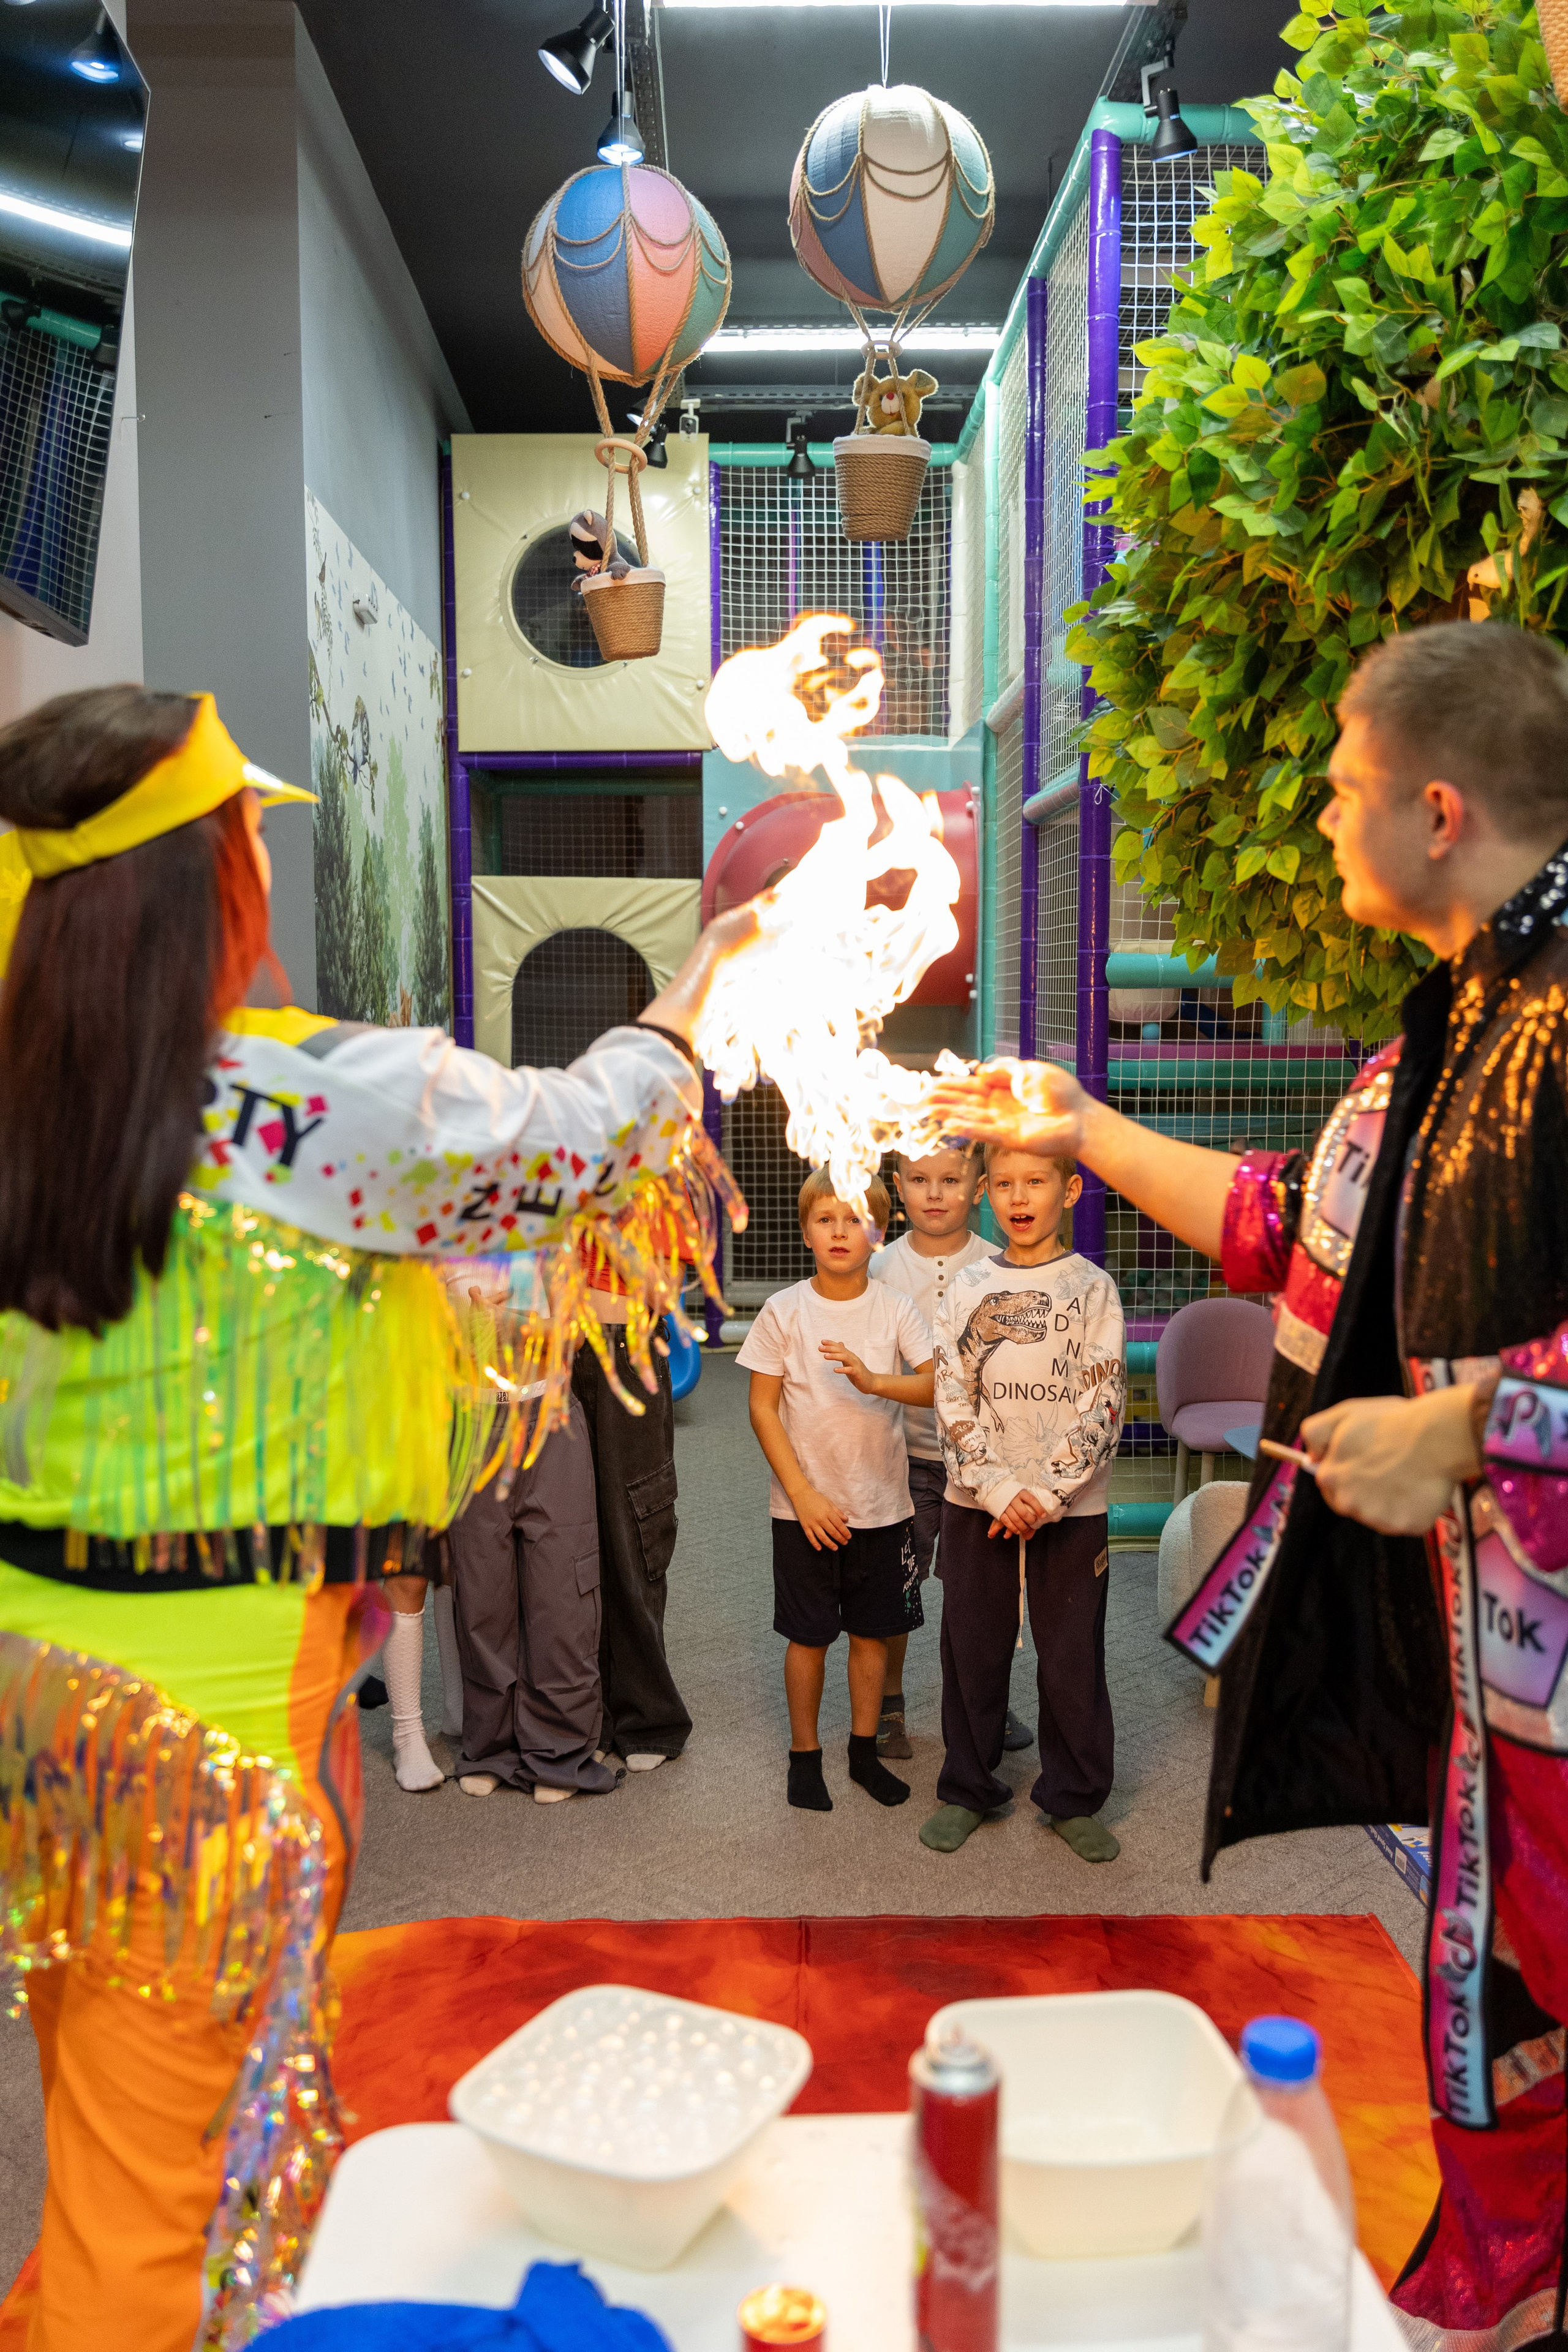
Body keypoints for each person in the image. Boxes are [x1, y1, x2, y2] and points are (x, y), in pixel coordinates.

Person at [0, 684, 749, 2352]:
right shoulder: (305, 1108)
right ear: (218, 889)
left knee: (110, 2080)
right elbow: (580, 1142)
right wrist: (702, 987)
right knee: (167, 2181)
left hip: (34, 1695)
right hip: (202, 1729)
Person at [928, 621, 1568, 2351]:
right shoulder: (1441, 1039)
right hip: (1498, 1671)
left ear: (1438, 811)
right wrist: (1082, 1123)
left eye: (1346, 786)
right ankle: (1501, 2268)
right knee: (1507, 1969)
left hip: (1548, 1647)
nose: (1318, 819)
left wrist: (1476, 1431)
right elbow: (1297, 1226)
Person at [919, 1146, 1125, 1859]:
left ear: (1067, 1190)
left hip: (1071, 1505)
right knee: (971, 1650)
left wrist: (1045, 1491)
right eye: (1003, 1183)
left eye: (1033, 1181)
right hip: (977, 1501)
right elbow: (950, 1395)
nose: (1017, 1195)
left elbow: (1102, 1401)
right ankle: (967, 1786)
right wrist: (999, 1488)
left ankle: (1072, 1796)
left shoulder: (1093, 1288)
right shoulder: (965, 1286)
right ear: (985, 1193)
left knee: (1071, 1653)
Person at [737, 1169, 933, 1814]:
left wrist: (876, 1381)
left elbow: (936, 1384)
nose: (840, 1231)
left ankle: (861, 1752)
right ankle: (804, 1758)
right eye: (826, 1219)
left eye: (854, 1219)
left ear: (879, 1231)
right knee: (809, 1637)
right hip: (803, 1512)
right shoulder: (783, 1310)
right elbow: (763, 1409)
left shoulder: (896, 1309)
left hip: (882, 1507)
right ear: (805, 1232)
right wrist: (802, 1494)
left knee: (871, 1635)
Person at [443, 1267, 617, 1804]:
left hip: (548, 1412)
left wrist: (513, 1324)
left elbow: (580, 1326)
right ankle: (491, 1746)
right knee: (482, 1592)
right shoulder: (435, 1228)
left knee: (561, 1587)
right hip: (472, 1421)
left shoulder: (550, 1226)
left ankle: (559, 1748)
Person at [866, 1146, 1001, 1757]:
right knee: (899, 1586)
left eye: (950, 1180)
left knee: (981, 1595)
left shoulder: (998, 1265)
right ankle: (889, 1702)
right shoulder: (879, 1268)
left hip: (980, 1464)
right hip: (906, 1459)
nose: (935, 1193)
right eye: (919, 1181)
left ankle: (981, 1704)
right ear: (898, 1188)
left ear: (977, 1189)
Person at [570, 1213, 692, 1776]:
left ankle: (648, 1715)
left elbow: (661, 1289)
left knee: (632, 1530)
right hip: (558, 1355)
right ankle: (584, 1715)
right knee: (570, 1538)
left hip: (629, 1350)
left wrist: (602, 1219)